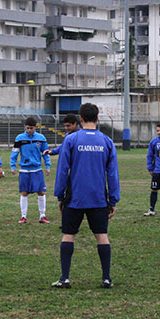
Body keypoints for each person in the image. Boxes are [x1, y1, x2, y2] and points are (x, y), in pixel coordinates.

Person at [52, 102, 119, 289]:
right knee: (102, 235)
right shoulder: (107, 141)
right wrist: (113, 199)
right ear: (97, 119)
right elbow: (112, 174)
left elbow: (62, 169)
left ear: (80, 119)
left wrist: (60, 195)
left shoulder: (71, 140)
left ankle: (65, 278)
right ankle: (106, 278)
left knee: (68, 235)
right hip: (98, 198)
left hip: (75, 198)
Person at [10, 117, 51, 224]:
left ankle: (42, 215)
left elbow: (45, 153)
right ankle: (23, 216)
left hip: (37, 169)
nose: (29, 130)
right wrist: (13, 166)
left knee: (41, 192)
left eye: (31, 128)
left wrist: (47, 165)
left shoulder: (41, 138)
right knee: (24, 192)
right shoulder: (19, 138)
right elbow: (14, 153)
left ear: (35, 127)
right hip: (24, 170)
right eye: (27, 128)